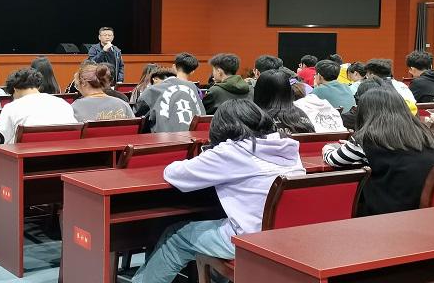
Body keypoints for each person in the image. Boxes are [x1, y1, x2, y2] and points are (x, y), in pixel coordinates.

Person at [131, 99, 306, 283]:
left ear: (222, 127)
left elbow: (174, 174)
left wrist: (209, 154)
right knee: (213, 222)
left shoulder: (232, 151)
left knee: (175, 237)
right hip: (288, 238)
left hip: (251, 241)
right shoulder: (288, 147)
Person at [0, 68, 77, 222]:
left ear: (14, 89)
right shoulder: (63, 103)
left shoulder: (12, 107)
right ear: (38, 85)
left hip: (24, 166)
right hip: (63, 164)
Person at [322, 88, 434, 216]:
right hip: (425, 212)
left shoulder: (367, 138)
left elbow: (333, 159)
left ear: (365, 112)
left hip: (385, 214)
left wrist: (330, 146)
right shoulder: (423, 133)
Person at [135, 67, 204, 132]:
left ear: (155, 79)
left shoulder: (152, 90)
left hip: (165, 137)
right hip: (196, 135)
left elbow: (138, 117)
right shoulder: (192, 86)